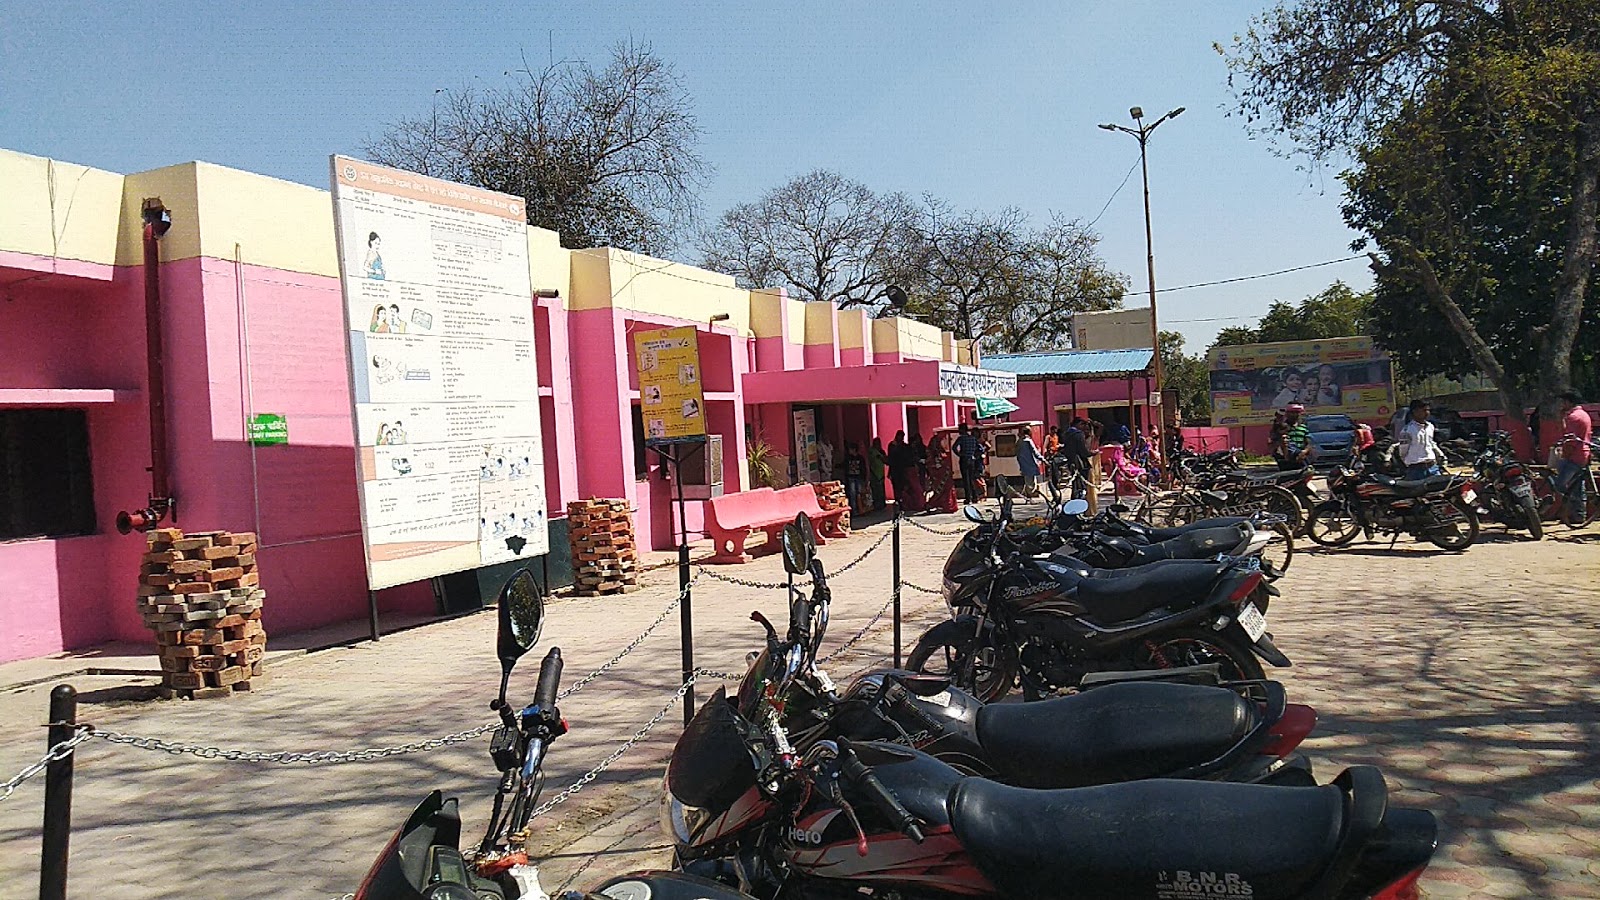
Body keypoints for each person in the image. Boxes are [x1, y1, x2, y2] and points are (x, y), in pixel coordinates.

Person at [1555, 390, 1592, 522]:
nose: (1562, 404)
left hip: (1574, 456)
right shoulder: (1583, 414)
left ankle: (1571, 508)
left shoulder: (1573, 417)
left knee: (1559, 484)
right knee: (1578, 486)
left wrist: (1564, 455)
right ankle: (1579, 515)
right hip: (1584, 453)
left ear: (1569, 402)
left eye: (1563, 401)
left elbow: (1570, 440)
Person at [1396, 398, 1442, 480]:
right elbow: (1403, 451)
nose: (1427, 413)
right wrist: (1409, 462)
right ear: (1415, 411)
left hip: (1432, 467)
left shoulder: (1430, 427)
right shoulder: (1407, 430)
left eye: (1428, 410)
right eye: (1424, 410)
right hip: (1416, 470)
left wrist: (1440, 455)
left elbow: (1431, 443)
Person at [952, 423, 986, 502]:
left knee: (965, 479)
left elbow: (954, 447)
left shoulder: (961, 438)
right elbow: (980, 449)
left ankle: (968, 498)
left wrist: (960, 454)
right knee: (971, 479)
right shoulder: (973, 438)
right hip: (972, 460)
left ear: (962, 430)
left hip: (964, 459)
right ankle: (975, 496)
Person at [926, 435, 959, 513]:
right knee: (941, 490)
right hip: (939, 475)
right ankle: (939, 504)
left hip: (946, 473)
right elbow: (930, 463)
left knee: (947, 489)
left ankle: (948, 505)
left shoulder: (941, 450)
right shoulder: (932, 452)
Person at [1062, 418, 1093, 499]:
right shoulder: (1078, 434)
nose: (1083, 427)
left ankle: (1074, 498)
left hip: (1070, 460)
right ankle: (1081, 499)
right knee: (1081, 483)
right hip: (1079, 461)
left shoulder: (1066, 434)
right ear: (1078, 424)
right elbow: (1083, 450)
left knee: (1075, 483)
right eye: (1082, 424)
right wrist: (1091, 453)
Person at [1282, 404, 1312, 470]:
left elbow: (1308, 442)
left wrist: (1304, 452)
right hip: (1287, 458)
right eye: (1292, 412)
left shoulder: (1303, 427)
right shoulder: (1282, 427)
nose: (1295, 415)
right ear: (1287, 414)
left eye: (1297, 412)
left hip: (1301, 456)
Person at [1017, 428, 1044, 499]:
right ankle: (1029, 497)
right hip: (1031, 465)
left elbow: (1017, 453)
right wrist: (1043, 459)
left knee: (1028, 481)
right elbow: (1035, 452)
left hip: (1023, 465)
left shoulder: (1019, 442)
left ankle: (1028, 496)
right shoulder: (1028, 441)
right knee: (1031, 482)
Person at [843, 442, 868, 515]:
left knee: (859, 494)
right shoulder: (848, 458)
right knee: (852, 494)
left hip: (859, 477)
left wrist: (865, 478)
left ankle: (861, 509)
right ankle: (854, 510)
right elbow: (845, 466)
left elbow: (863, 468)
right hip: (851, 477)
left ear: (854, 449)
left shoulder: (860, 458)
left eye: (850, 449)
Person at [868, 437, 888, 511]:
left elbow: (886, 461)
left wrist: (881, 457)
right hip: (873, 472)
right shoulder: (871, 451)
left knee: (881, 489)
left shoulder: (881, 451)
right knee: (875, 489)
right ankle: (876, 504)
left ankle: (882, 504)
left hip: (881, 473)